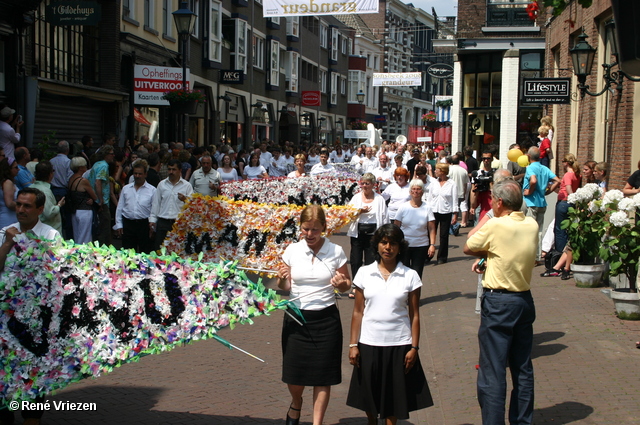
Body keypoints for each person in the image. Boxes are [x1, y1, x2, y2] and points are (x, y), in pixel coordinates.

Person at [463, 180, 538, 425]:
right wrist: (490, 257)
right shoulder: (531, 224)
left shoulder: (496, 224)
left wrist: (487, 225)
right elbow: (509, 252)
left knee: (493, 369)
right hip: (523, 299)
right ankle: (522, 420)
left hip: (499, 301)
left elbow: (469, 244)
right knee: (522, 367)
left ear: (499, 202)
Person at [347, 223, 433, 424]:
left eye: (393, 243)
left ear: (400, 247)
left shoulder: (410, 276)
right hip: (369, 342)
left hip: (398, 344)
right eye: (384, 243)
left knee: (394, 397)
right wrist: (353, 344)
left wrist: (414, 347)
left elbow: (415, 315)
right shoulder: (364, 273)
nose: (388, 248)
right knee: (369, 394)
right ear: (376, 245)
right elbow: (358, 311)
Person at [277, 204, 351, 425]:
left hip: (326, 320)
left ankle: (317, 422)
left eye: (315, 230)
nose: (310, 234)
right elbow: (284, 287)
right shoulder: (292, 250)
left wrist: (341, 283)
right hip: (297, 318)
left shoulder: (336, 251)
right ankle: (296, 402)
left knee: (323, 375)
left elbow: (347, 285)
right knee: (294, 375)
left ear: (324, 228)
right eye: (306, 229)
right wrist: (282, 277)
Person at [0, 187, 60, 425]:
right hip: (5, 318)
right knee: (5, 373)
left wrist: (27, 241)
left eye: (27, 206)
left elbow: (55, 271)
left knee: (32, 377)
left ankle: (31, 418)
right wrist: (7, 243)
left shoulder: (50, 234)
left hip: (35, 320)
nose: (21, 210)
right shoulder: (5, 231)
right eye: (19, 204)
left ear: (39, 209)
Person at [346, 173, 389, 291]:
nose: (365, 186)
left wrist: (384, 235)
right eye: (363, 183)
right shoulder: (356, 198)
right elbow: (348, 214)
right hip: (358, 233)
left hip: (373, 234)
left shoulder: (379, 199)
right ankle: (356, 286)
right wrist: (359, 211)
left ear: (373, 185)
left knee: (371, 261)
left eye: (367, 183)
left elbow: (385, 217)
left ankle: (369, 286)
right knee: (356, 260)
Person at [394, 179, 436, 279]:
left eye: (418, 189)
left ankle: (415, 294)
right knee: (403, 273)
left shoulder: (427, 207)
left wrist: (432, 245)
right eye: (413, 189)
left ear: (422, 191)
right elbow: (396, 227)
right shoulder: (403, 207)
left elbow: (432, 228)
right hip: (405, 245)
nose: (416, 191)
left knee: (417, 274)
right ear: (410, 191)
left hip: (421, 245)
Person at [149, 159, 194, 251]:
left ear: (180, 170)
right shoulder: (162, 184)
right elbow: (156, 203)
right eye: (169, 169)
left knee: (178, 250)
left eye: (174, 169)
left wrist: (185, 199)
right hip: (163, 222)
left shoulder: (187, 186)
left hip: (178, 223)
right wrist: (152, 220)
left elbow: (193, 206)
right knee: (160, 250)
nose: (171, 172)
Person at [114, 159, 156, 253]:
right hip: (128, 224)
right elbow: (120, 207)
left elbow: (154, 209)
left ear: (145, 174)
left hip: (144, 225)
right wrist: (119, 224)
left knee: (145, 253)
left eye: (140, 174)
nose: (137, 176)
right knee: (128, 253)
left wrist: (153, 227)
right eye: (135, 173)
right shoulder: (126, 189)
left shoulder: (152, 190)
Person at [426, 163, 458, 264]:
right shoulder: (434, 183)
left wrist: (455, 214)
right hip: (433, 211)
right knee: (430, 233)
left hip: (446, 211)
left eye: (437, 169)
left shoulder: (452, 184)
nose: (435, 171)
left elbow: (454, 200)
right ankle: (427, 255)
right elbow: (430, 198)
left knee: (444, 235)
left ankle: (442, 257)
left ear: (443, 171)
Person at [523, 146, 560, 233]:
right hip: (542, 202)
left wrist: (529, 191)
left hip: (531, 202)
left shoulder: (530, 168)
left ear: (528, 156)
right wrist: (547, 192)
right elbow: (558, 181)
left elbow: (533, 180)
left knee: (529, 230)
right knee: (539, 231)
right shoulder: (545, 168)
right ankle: (538, 247)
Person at [67, 157, 99, 244]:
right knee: (85, 237)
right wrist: (93, 199)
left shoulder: (71, 179)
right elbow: (95, 196)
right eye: (85, 165)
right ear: (80, 167)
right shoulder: (83, 181)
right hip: (84, 211)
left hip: (74, 211)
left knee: (77, 235)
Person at [88, 146, 115, 245]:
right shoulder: (104, 165)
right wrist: (100, 200)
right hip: (102, 201)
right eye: (111, 154)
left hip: (94, 199)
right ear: (106, 155)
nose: (113, 156)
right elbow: (97, 182)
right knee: (105, 230)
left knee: (99, 227)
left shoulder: (96, 164)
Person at [30, 161, 65, 233]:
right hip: (48, 233)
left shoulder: (31, 187)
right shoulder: (45, 191)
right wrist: (59, 205)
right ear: (50, 174)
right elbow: (49, 213)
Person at [50, 140, 74, 239]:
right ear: (68, 150)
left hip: (53, 190)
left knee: (55, 217)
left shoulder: (51, 161)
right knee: (67, 218)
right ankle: (68, 239)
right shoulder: (68, 162)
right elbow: (69, 178)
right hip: (64, 191)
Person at [0, 158, 18, 228]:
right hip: (9, 219)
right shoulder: (8, 183)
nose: (18, 169)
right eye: (15, 167)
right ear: (8, 169)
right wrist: (23, 205)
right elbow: (9, 203)